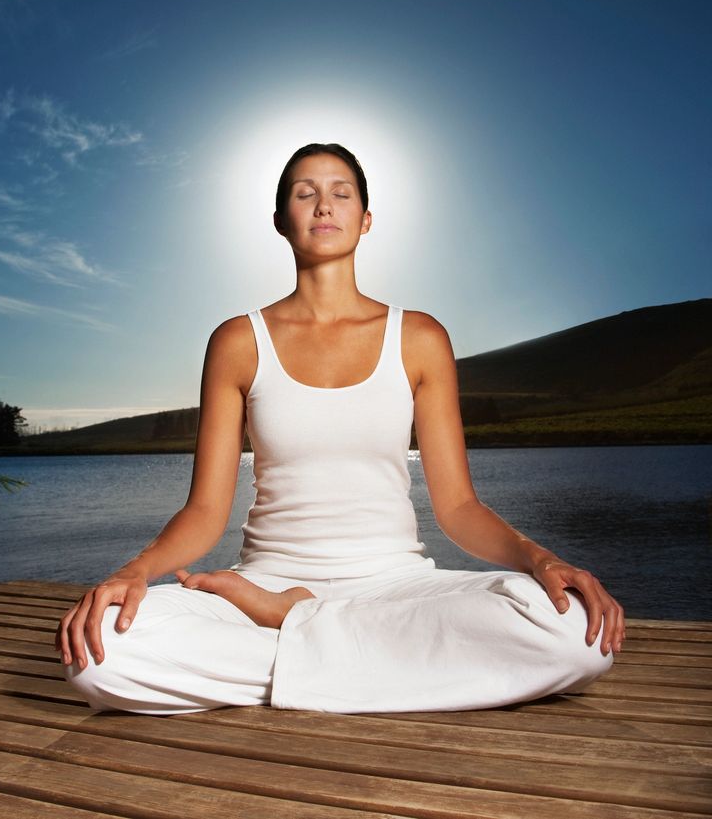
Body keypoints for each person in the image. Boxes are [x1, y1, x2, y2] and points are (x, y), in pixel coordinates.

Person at [57, 142, 624, 715]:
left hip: (394, 585)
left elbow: (458, 508)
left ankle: (298, 625)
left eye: (340, 194)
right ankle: (371, 654)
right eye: (305, 194)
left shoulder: (419, 338)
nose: (323, 205)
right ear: (281, 221)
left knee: (575, 634)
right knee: (100, 654)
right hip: (264, 582)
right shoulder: (237, 342)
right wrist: (134, 571)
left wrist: (540, 559)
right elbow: (205, 512)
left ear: (365, 219)